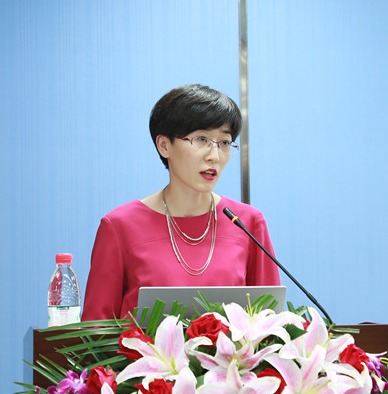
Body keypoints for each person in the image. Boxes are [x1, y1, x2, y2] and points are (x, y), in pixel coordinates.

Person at [81, 84, 281, 321]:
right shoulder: (120, 226)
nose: (214, 156)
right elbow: (94, 331)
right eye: (201, 139)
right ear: (164, 145)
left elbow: (270, 323)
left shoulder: (247, 222)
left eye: (225, 143)